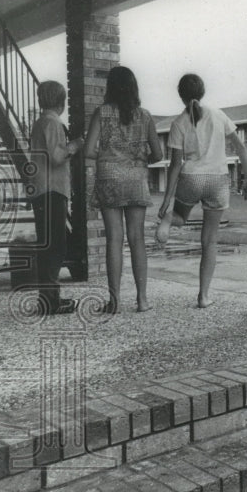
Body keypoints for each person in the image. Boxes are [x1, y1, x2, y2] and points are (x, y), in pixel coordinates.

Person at [156, 74, 247, 307]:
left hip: (192, 178)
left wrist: (166, 202)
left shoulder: (179, 123)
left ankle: (170, 219)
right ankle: (203, 296)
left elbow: (176, 165)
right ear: (203, 91)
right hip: (218, 181)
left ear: (180, 95)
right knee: (209, 241)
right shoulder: (218, 115)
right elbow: (240, 147)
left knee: (180, 216)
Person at [84, 66, 162, 313]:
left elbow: (87, 151)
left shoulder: (102, 113)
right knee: (137, 238)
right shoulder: (145, 115)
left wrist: (108, 155)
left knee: (114, 240)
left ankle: (115, 301)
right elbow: (158, 154)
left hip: (109, 177)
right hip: (136, 178)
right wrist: (137, 159)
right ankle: (142, 300)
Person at [29, 81, 84, 314]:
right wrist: (76, 144)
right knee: (56, 246)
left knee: (48, 245)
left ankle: (47, 299)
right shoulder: (53, 123)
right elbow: (56, 157)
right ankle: (51, 301)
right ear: (61, 103)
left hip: (42, 190)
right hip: (52, 191)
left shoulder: (40, 122)